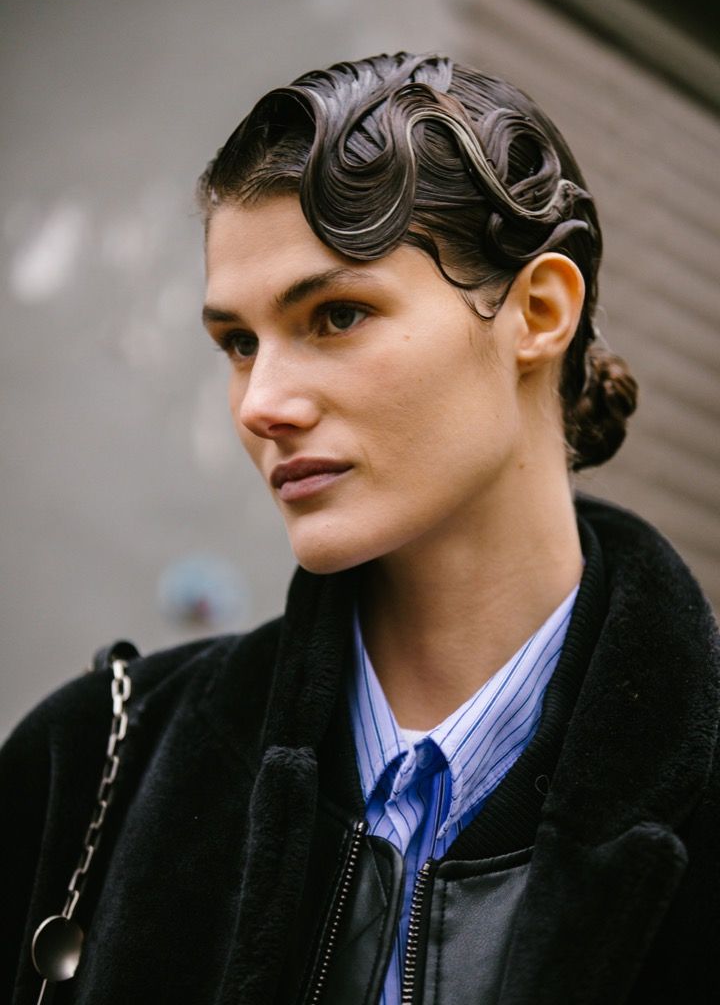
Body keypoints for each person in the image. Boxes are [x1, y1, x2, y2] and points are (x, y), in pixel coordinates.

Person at [2, 52, 719, 1005]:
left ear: (538, 313)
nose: (261, 403)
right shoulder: (90, 763)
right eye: (238, 342)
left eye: (336, 315)